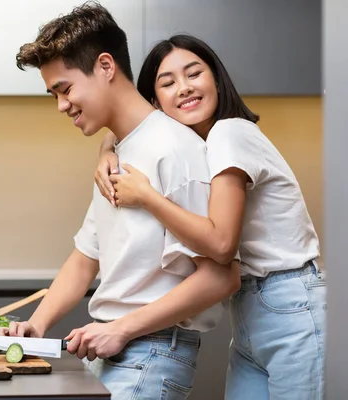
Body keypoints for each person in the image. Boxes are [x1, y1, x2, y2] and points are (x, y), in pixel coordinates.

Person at [0, 3, 240, 399]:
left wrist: (122, 328)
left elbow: (219, 274)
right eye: (53, 94)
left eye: (65, 88)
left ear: (106, 66)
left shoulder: (175, 149)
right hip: (114, 348)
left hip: (152, 351)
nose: (61, 105)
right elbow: (85, 257)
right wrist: (36, 326)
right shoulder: (116, 154)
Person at [93, 34, 327, 400]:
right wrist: (108, 145)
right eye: (167, 83)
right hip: (251, 309)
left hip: (291, 302)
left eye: (194, 74)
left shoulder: (230, 133)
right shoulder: (201, 147)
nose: (184, 88)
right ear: (155, 102)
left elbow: (221, 243)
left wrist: (147, 198)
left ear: (216, 79)